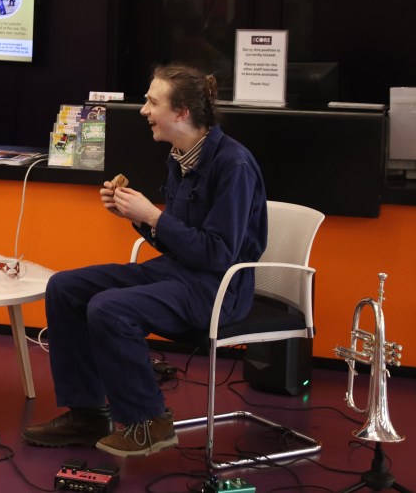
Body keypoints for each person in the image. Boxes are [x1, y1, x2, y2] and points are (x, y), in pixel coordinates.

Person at [22, 63, 267, 457]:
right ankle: (87, 413)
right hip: (179, 273)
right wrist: (136, 217)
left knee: (108, 309)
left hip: (218, 289)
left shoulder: (233, 165)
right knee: (65, 287)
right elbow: (179, 244)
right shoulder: (180, 156)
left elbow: (217, 253)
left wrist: (153, 215)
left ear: (182, 112)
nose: (143, 110)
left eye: (153, 102)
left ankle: (149, 423)